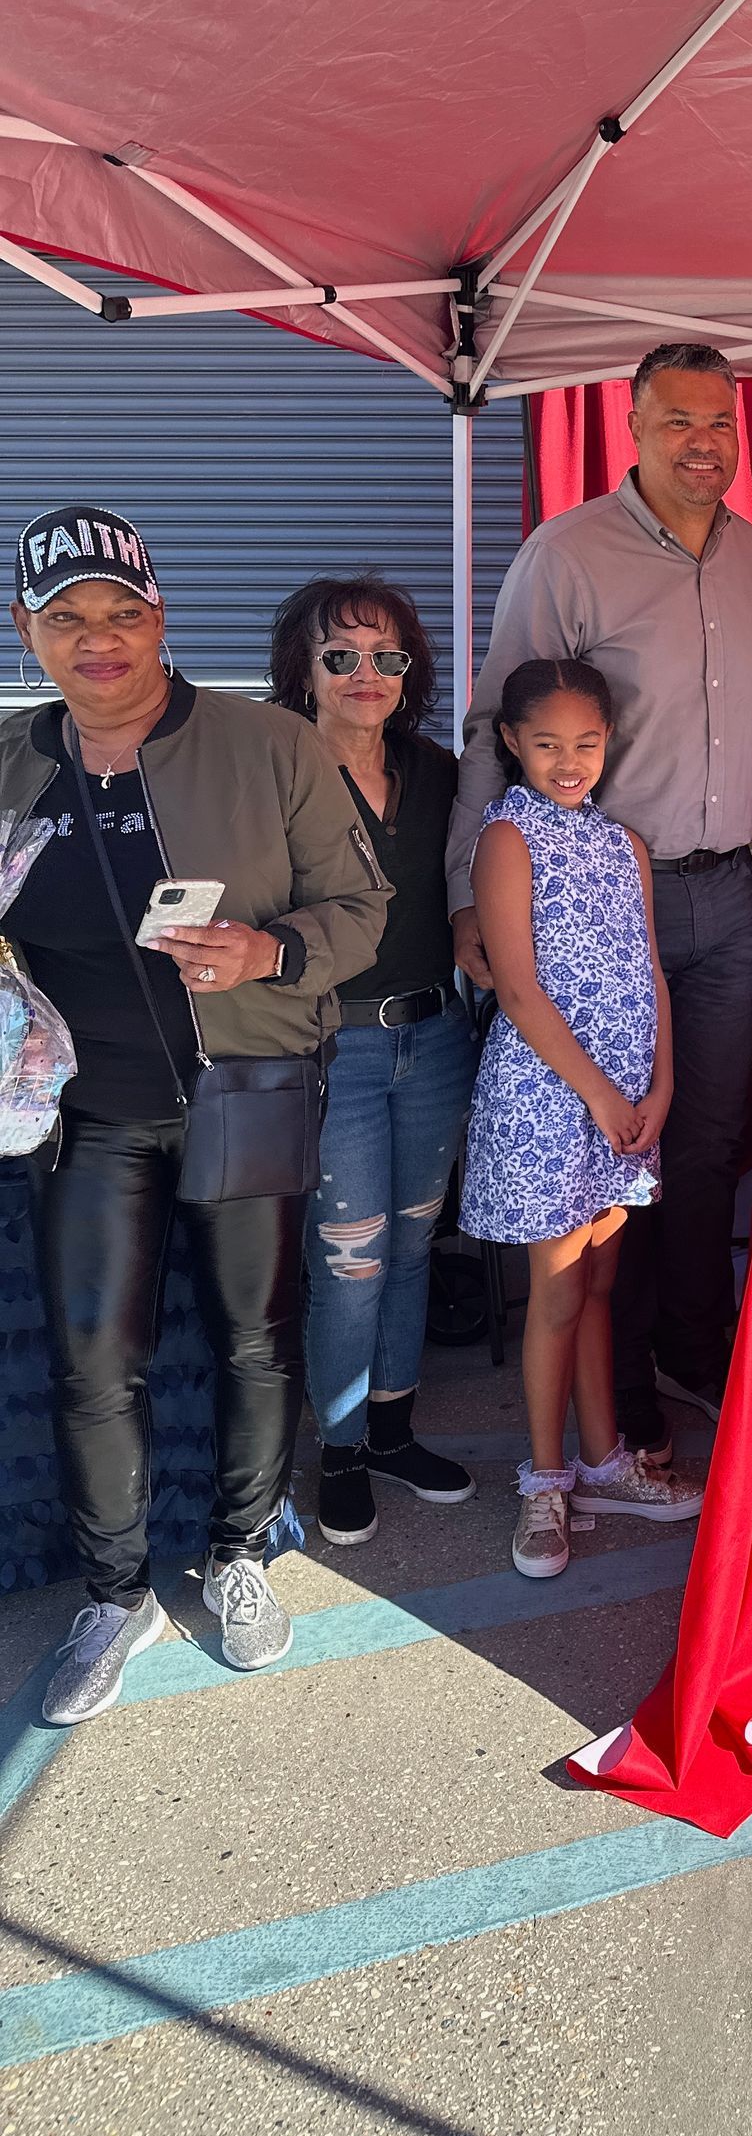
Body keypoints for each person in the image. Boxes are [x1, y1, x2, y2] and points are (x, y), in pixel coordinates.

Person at [0, 509, 389, 1724]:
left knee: (257, 1339)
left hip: (247, 1090)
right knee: (90, 1364)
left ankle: (235, 1554)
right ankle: (113, 1596)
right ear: (30, 633)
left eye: (121, 612)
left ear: (161, 618)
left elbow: (364, 907)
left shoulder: (269, 744)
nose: (97, 640)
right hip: (87, 1115)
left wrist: (270, 949)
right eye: (67, 619)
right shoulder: (14, 764)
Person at [448, 341, 752, 1442]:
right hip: (598, 910)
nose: (704, 442)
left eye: (722, 423)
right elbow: (490, 727)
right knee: (619, 1148)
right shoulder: (568, 553)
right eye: (680, 420)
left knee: (705, 1138)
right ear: (633, 426)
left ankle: (699, 1353)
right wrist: (467, 893)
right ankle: (624, 1391)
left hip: (726, 893)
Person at [459, 659, 703, 1580]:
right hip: (552, 1104)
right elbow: (519, 992)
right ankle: (545, 1481)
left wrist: (663, 1086)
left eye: (587, 743)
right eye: (549, 744)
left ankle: (605, 1463)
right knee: (556, 1296)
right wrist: (601, 1095)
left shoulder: (622, 843)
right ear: (513, 742)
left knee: (601, 1288)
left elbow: (649, 976)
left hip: (625, 1106)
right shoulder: (507, 839)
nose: (570, 761)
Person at [268, 575, 477, 1548]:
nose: (366, 673)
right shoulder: (272, 766)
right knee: (348, 1260)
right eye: (341, 655)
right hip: (334, 1042)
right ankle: (340, 1449)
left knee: (411, 1243)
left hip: (433, 1036)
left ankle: (392, 1430)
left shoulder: (436, 769)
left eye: (387, 656)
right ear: (302, 668)